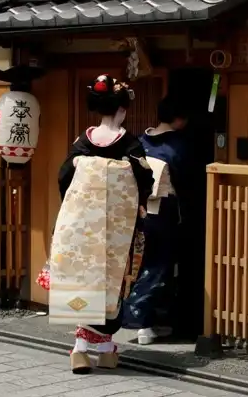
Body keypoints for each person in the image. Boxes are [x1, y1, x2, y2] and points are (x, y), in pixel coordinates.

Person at [51, 74, 154, 374]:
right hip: (117, 229)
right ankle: (92, 349)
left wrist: (80, 204)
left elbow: (64, 177)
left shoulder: (83, 142)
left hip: (84, 226)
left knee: (85, 279)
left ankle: (89, 349)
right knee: (113, 282)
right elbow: (145, 180)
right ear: (122, 109)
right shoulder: (130, 145)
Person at [123, 96, 192, 345]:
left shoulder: (141, 141)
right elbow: (186, 181)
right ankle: (140, 318)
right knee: (160, 264)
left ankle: (150, 320)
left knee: (143, 262)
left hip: (141, 209)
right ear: (179, 118)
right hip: (165, 210)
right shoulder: (177, 146)